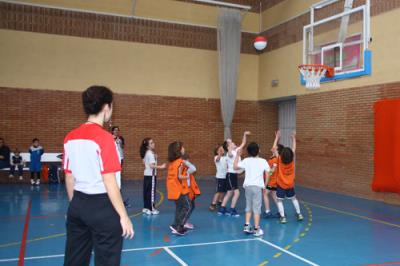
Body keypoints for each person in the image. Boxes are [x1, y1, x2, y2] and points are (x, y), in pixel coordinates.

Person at [63, 85, 134, 266]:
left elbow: (69, 176)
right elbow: (109, 180)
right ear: (106, 107)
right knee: (107, 260)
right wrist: (123, 216)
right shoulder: (104, 138)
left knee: (75, 259)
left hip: (78, 203)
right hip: (102, 207)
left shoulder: (70, 137)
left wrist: (75, 205)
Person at [234, 141, 270, 237]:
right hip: (257, 187)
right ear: (258, 150)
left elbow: (235, 167)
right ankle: (256, 229)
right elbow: (267, 174)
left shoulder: (246, 160)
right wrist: (265, 185)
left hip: (248, 187)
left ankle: (246, 225)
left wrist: (237, 155)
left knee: (248, 206)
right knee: (257, 208)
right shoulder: (263, 161)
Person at [218, 131, 250, 217]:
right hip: (230, 175)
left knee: (229, 193)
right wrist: (228, 144)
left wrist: (244, 134)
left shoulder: (236, 151)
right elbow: (229, 153)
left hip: (233, 175)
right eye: (232, 143)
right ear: (228, 147)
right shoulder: (230, 154)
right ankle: (232, 210)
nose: (234, 143)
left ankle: (222, 209)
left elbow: (243, 143)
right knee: (237, 193)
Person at [275, 131, 304, 224]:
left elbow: (274, 148)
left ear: (282, 155)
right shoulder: (291, 161)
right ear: (291, 155)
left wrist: (277, 138)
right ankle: (299, 214)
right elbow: (294, 148)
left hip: (281, 185)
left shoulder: (279, 159)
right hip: (290, 185)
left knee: (279, 201)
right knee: (294, 199)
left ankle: (283, 217)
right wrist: (293, 138)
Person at [166, 141, 194, 236]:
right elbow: (179, 176)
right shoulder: (180, 162)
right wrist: (187, 176)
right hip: (179, 190)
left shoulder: (173, 163)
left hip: (173, 189)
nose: (184, 149)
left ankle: (175, 225)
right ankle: (179, 226)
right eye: (182, 147)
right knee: (188, 206)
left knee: (179, 207)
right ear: (178, 150)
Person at [140, 138, 166, 215]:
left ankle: (146, 208)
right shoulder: (150, 153)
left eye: (153, 142)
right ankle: (151, 209)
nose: (153, 144)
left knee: (146, 192)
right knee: (151, 192)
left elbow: (143, 162)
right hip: (151, 176)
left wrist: (155, 157)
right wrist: (161, 167)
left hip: (146, 175)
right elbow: (151, 166)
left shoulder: (147, 152)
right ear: (148, 146)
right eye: (151, 143)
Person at [263, 132, 284, 219]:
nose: (272, 147)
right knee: (274, 195)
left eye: (275, 147)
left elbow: (272, 170)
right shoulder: (275, 157)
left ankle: (267, 211)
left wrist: (268, 175)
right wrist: (276, 138)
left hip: (271, 181)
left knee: (265, 193)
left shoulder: (275, 159)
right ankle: (280, 212)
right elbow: (274, 147)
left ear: (277, 150)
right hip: (273, 181)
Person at [111, 126, 130, 208]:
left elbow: (122, 147)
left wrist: (119, 141)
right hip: (114, 160)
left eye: (117, 130)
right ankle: (116, 201)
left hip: (120, 159)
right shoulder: (110, 138)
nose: (116, 131)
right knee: (115, 181)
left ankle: (119, 200)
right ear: (112, 131)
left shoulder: (120, 139)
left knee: (118, 180)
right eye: (115, 130)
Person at [181, 153, 200, 230]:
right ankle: (183, 222)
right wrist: (186, 162)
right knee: (189, 206)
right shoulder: (186, 169)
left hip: (187, 190)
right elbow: (194, 168)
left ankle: (183, 221)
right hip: (185, 190)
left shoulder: (185, 169)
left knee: (190, 206)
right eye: (188, 160)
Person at [209, 144, 227, 211]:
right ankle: (213, 204)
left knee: (223, 191)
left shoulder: (225, 158)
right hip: (219, 177)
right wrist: (219, 154)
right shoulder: (216, 157)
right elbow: (218, 160)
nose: (222, 151)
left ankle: (220, 201)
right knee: (218, 191)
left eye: (222, 150)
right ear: (217, 152)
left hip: (225, 177)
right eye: (220, 150)